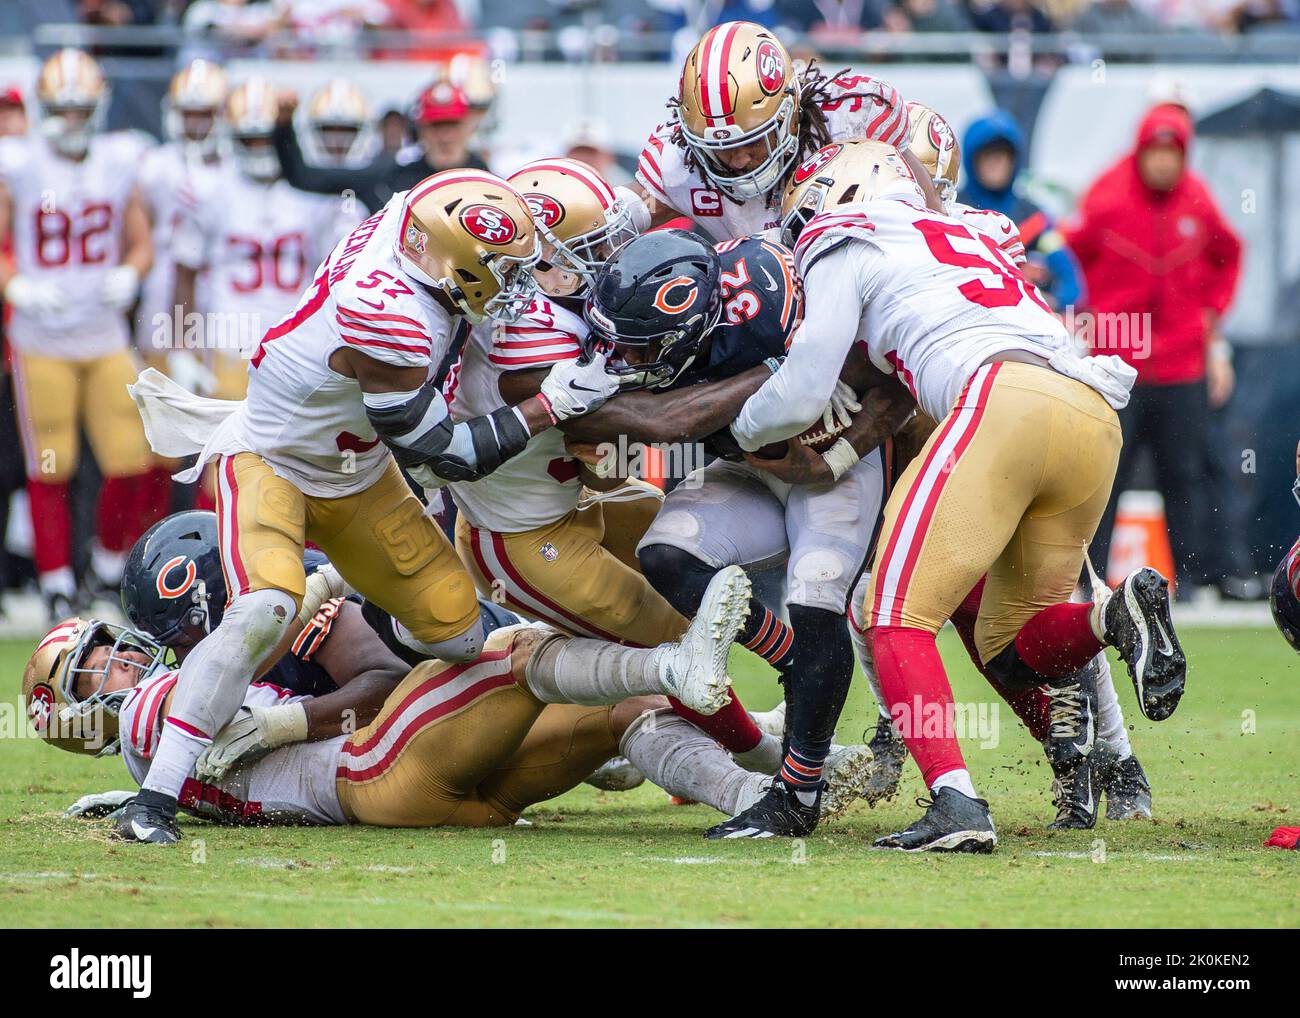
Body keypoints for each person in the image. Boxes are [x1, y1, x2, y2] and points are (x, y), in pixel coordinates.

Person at [114, 168, 623, 844]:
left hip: (356, 471)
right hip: (275, 460)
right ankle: (153, 800)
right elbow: (444, 456)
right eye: (504, 272)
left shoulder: (421, 220)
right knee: (262, 608)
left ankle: (373, 673)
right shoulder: (391, 318)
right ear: (453, 269)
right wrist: (548, 404)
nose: (519, 286)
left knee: (458, 633)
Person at [732, 139, 1187, 852]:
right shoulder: (972, 230)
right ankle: (1113, 615)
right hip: (1092, 413)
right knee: (1011, 641)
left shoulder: (842, 237)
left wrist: (742, 428)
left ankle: (957, 804)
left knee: (890, 612)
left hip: (1000, 401)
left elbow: (802, 387)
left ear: (838, 197)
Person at [29, 569, 870, 830]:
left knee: (618, 726)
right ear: (77, 719)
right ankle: (668, 663)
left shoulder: (149, 749)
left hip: (423, 799)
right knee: (514, 650)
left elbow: (181, 758)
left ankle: (760, 799)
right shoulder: (152, 720)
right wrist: (317, 577)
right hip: (374, 767)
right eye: (94, 673)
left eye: (107, 653)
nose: (118, 664)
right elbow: (196, 710)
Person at [0, 49, 157, 617]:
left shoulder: (120, 159)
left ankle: (109, 568)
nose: (71, 120)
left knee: (134, 457)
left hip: (105, 333)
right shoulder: (19, 164)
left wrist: (130, 272)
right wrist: (15, 285)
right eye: (61, 110)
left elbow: (141, 242)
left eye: (80, 109)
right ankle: (57, 582)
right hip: (42, 337)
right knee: (50, 463)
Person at [1067, 104, 1243, 595]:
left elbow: (1229, 255)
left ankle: (1192, 580)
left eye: (1174, 153)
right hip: (1117, 366)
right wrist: (1077, 324)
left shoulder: (1198, 200)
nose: (1165, 163)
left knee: (1185, 477)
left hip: (1181, 365)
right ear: (1142, 151)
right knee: (1102, 479)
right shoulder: (1106, 195)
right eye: (1157, 152)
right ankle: (1088, 579)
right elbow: (1066, 256)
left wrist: (1211, 317)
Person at [629, 21, 940, 243]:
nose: (738, 160)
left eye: (752, 140)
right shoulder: (676, 161)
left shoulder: (852, 119)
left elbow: (932, 221)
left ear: (790, 113)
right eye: (719, 148)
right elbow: (612, 221)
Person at [274, 81, 488, 216]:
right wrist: (284, 125)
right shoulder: (391, 177)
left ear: (470, 126)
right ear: (420, 129)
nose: (446, 136)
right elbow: (303, 177)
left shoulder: (488, 182)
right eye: (436, 125)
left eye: (453, 124)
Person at [959, 108, 1085, 313]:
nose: (995, 164)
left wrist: (1051, 302)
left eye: (1002, 155)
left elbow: (1072, 283)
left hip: (1024, 323)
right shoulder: (951, 211)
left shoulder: (1034, 218)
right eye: (987, 155)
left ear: (1014, 161)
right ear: (972, 161)